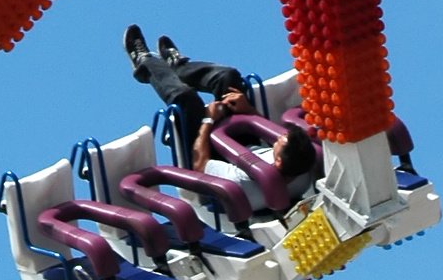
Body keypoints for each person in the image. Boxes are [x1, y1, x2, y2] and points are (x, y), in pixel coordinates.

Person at [124, 26, 322, 183]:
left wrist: (208, 119)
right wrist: (249, 111)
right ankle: (180, 68)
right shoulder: (299, 164)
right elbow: (273, 144)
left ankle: (145, 63)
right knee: (228, 77)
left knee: (186, 97)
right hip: (242, 141)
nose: (278, 139)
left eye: (280, 142)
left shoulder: (247, 177)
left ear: (277, 161)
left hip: (210, 153)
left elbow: (201, 165)